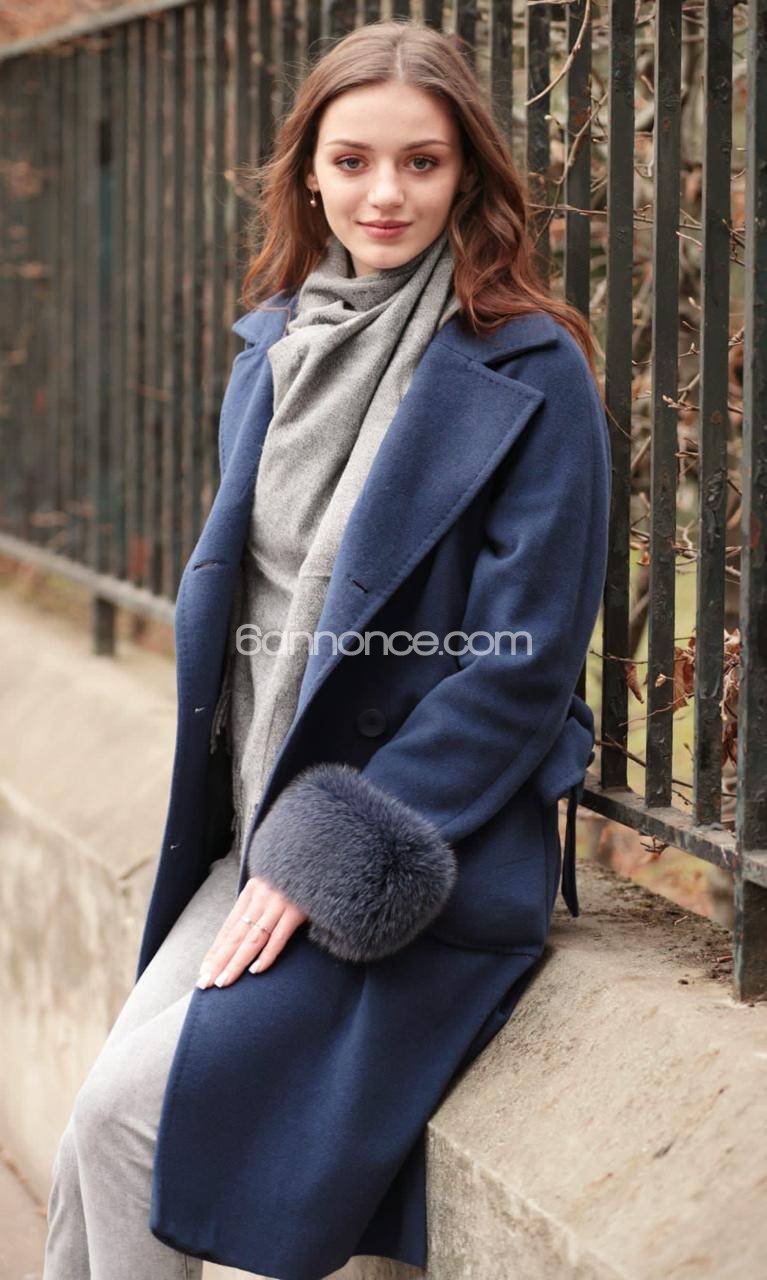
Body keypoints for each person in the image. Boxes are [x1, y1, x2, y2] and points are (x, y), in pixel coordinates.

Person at [43, 18, 610, 1280]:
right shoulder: (274, 352)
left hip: (409, 847)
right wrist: (270, 840)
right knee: (98, 1129)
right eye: (352, 161)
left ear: (466, 174)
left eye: (421, 162)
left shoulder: (530, 369)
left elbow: (518, 664)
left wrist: (326, 853)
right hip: (257, 829)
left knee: (135, 1123)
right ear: (308, 173)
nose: (384, 193)